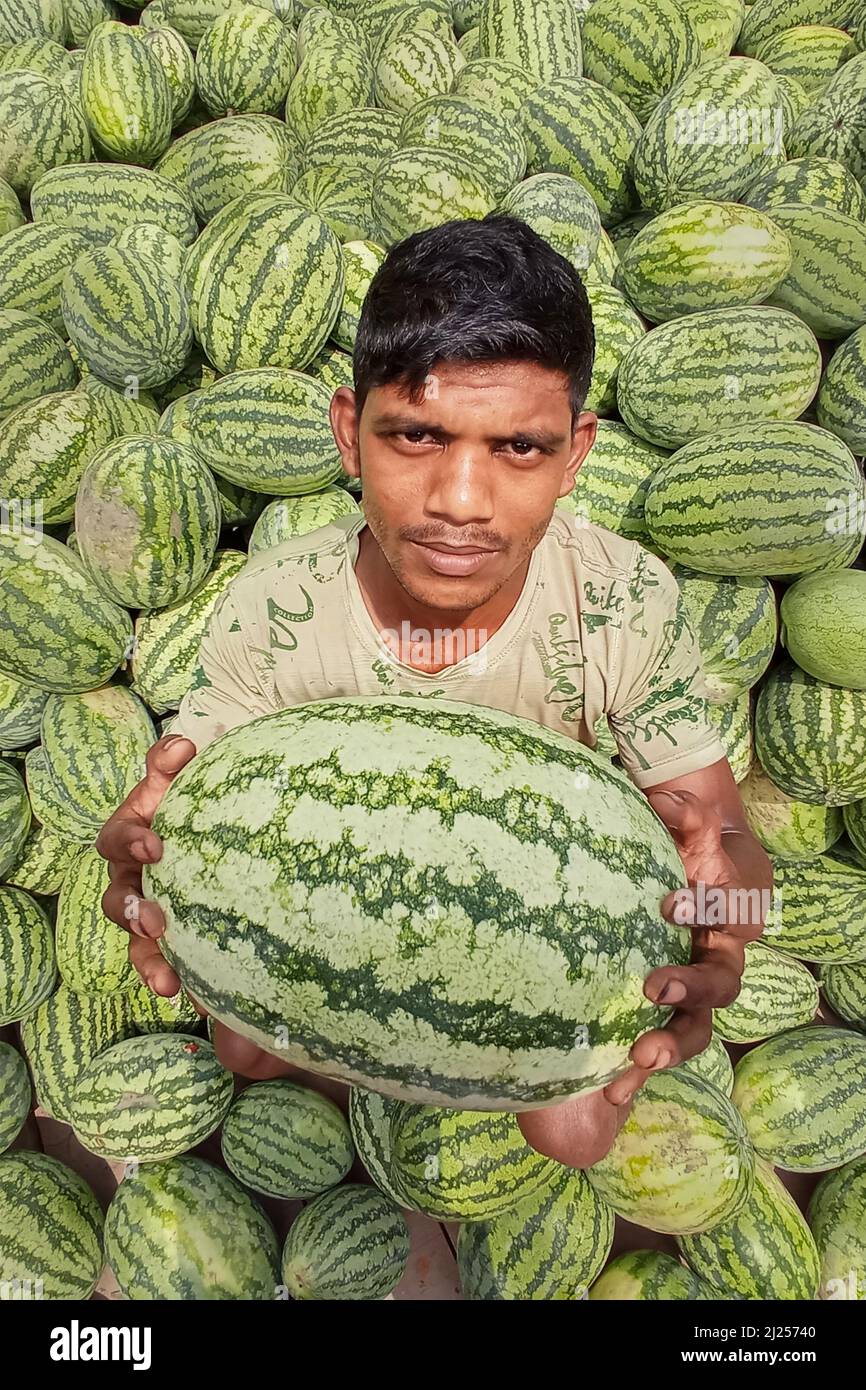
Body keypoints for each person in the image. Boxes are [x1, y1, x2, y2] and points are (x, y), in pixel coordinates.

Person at [98, 216, 772, 1167]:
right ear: (349, 432)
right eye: (417, 434)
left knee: (576, 1130)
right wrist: (139, 849)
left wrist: (729, 931)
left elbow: (734, 847)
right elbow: (178, 796)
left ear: (576, 453)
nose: (461, 498)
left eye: (519, 449)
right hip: (317, 902)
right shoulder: (279, 605)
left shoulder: (618, 601)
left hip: (551, 932)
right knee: (239, 1043)